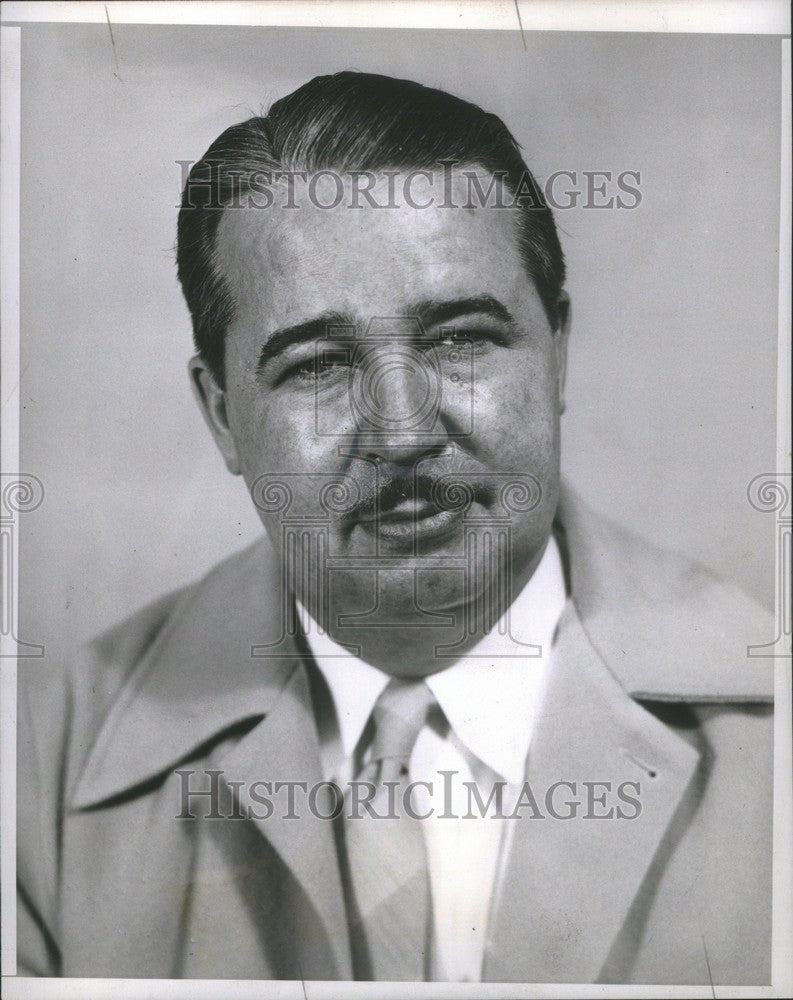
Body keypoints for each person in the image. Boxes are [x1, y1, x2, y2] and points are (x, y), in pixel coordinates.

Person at [18, 71, 773, 985]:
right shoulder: (33, 780)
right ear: (222, 415)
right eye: (318, 363)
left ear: (557, 351)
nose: (405, 431)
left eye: (459, 338)